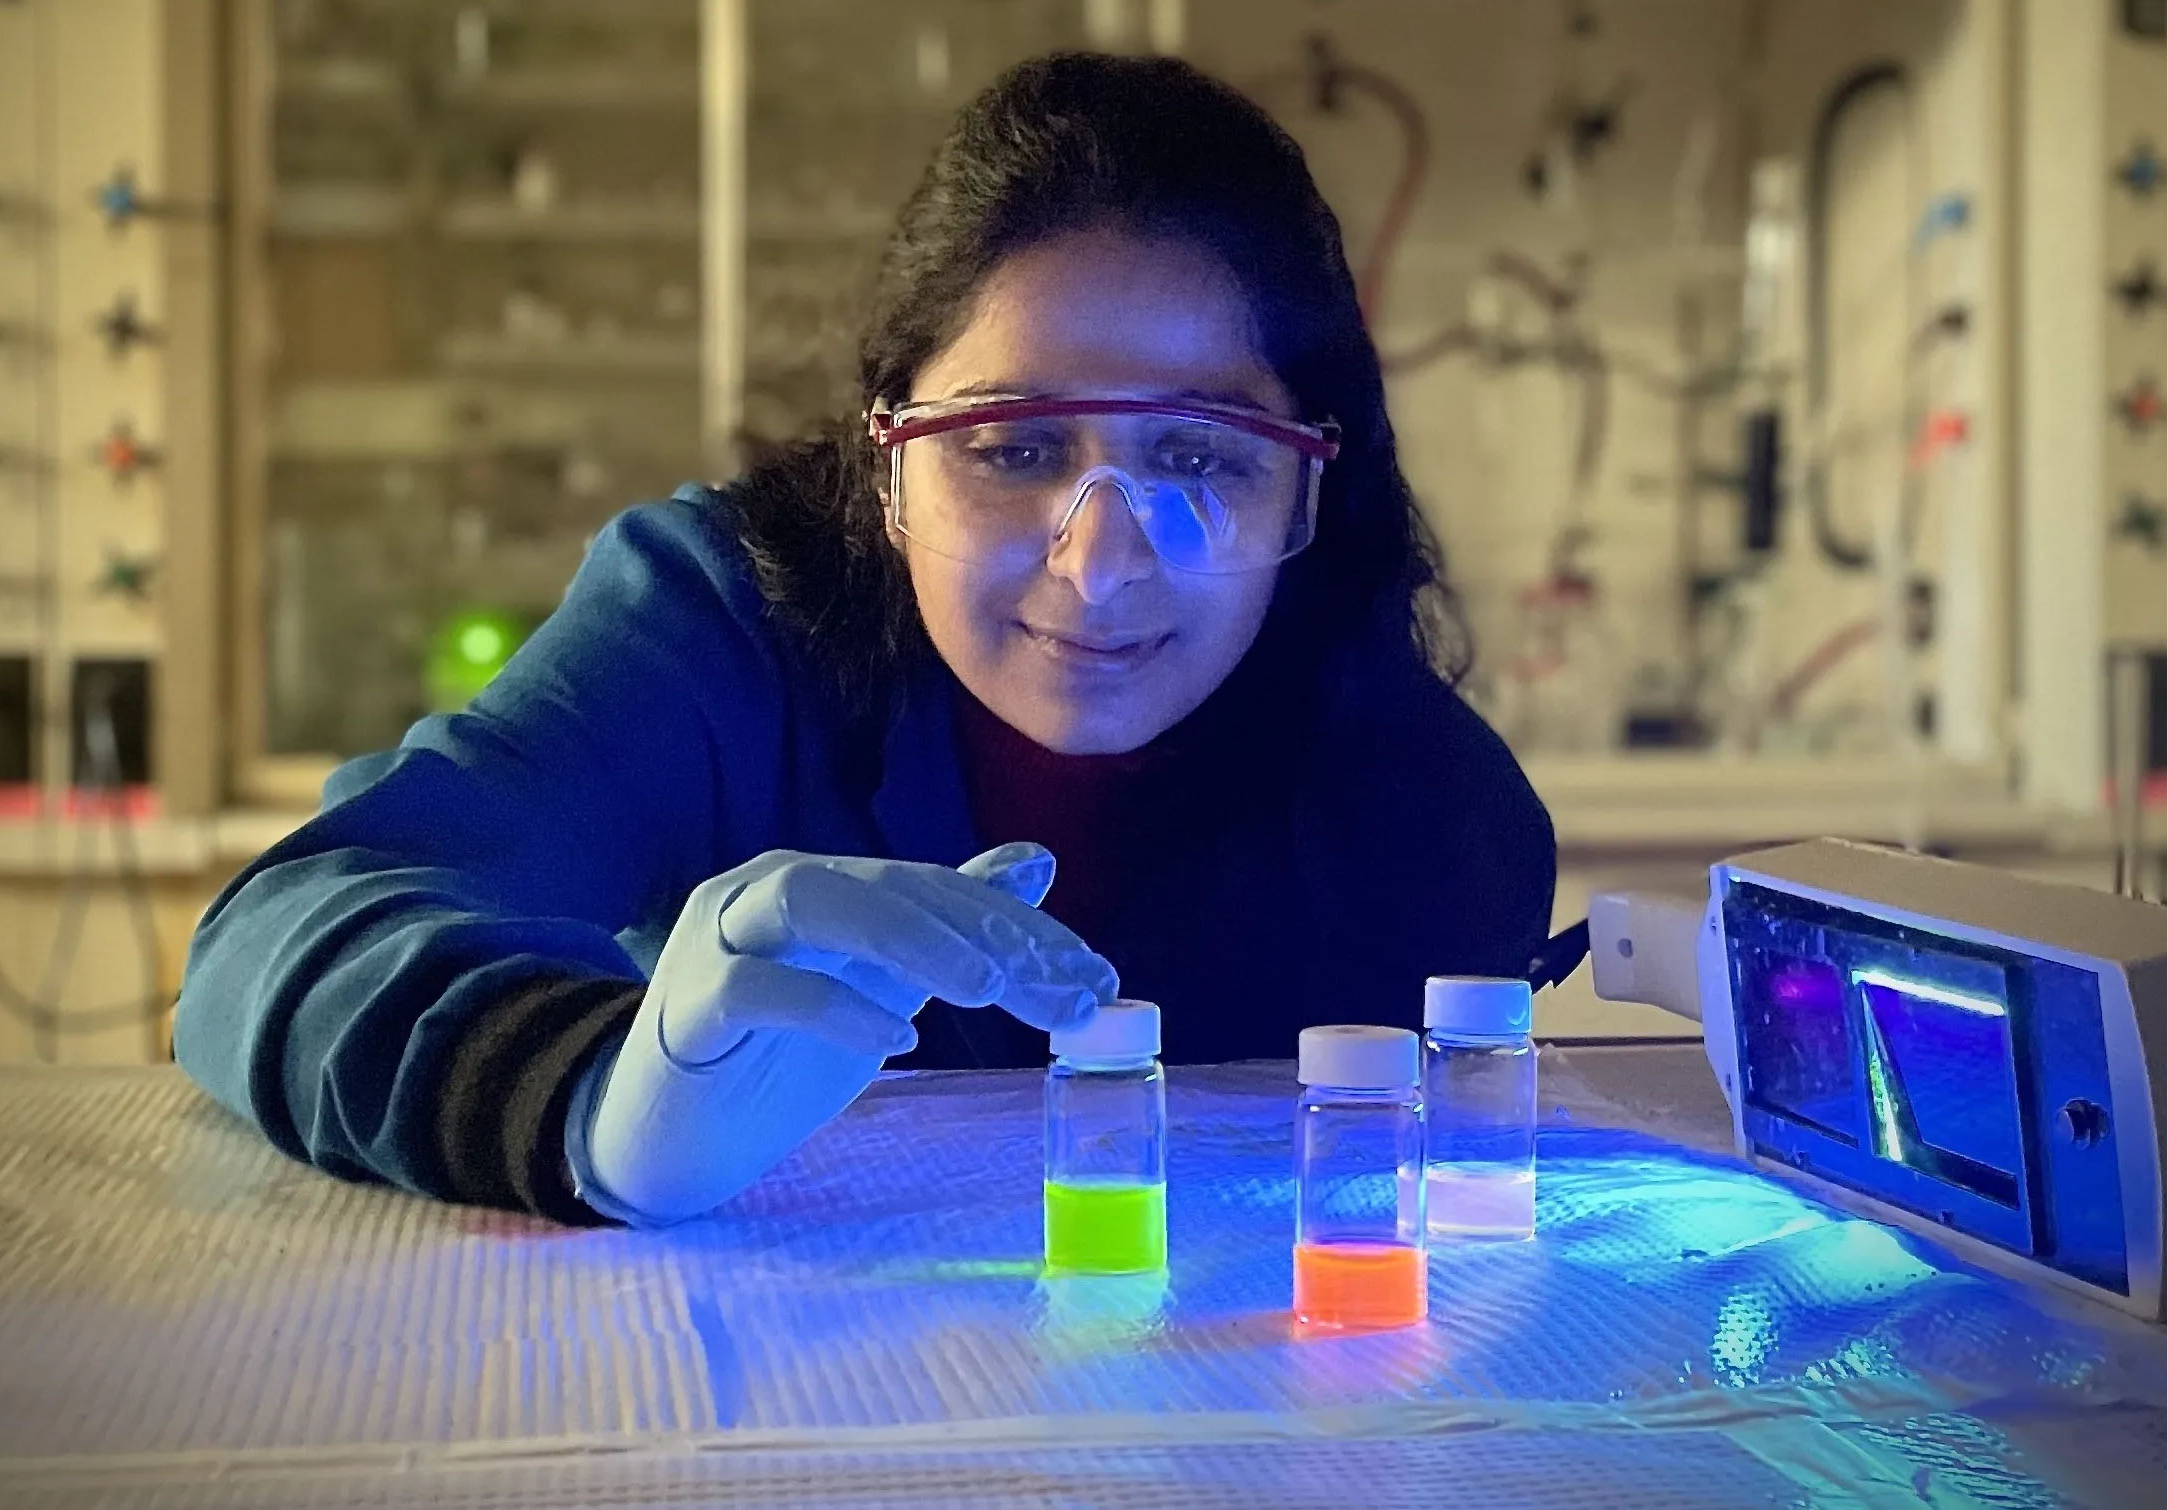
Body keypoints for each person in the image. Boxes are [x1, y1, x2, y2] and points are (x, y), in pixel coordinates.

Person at [174, 52, 1554, 1229]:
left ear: (1314, 482)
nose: (1099, 557)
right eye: (1010, 446)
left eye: (1197, 456)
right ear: (886, 461)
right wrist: (582, 1094)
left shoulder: (1435, 818)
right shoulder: (721, 626)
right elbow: (284, 929)